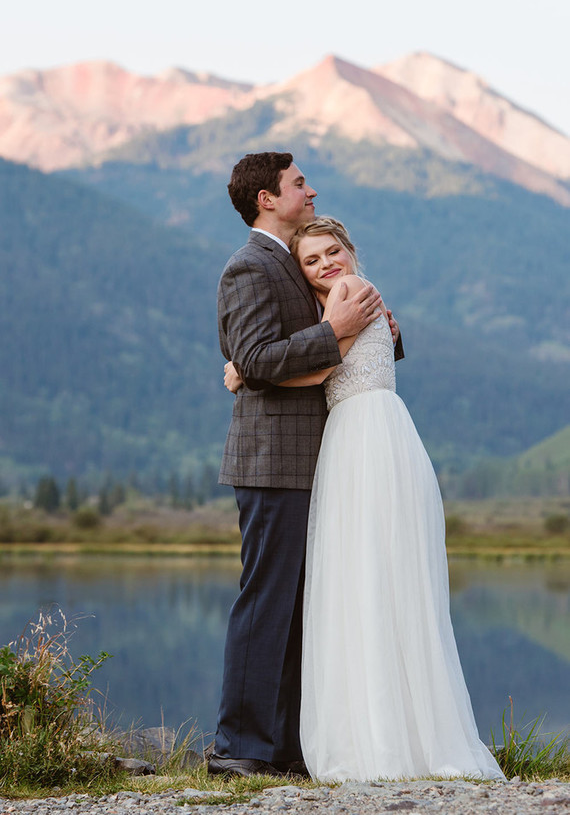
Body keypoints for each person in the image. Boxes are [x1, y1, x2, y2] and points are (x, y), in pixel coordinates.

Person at [278, 216, 504, 782]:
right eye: (312, 260)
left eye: (333, 251)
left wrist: (248, 374)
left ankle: (376, 742)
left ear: (350, 250)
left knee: (363, 579)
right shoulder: (363, 292)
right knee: (389, 581)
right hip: (378, 433)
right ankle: (409, 735)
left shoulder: (350, 294)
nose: (326, 264)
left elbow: (321, 363)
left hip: (364, 437)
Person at [209, 153, 403, 779]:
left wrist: (371, 330)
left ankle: (287, 745)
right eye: (298, 183)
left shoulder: (293, 259)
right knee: (267, 601)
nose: (311, 189)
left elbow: (280, 349)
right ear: (268, 197)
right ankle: (238, 747)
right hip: (273, 462)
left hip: (321, 458)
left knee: (302, 606)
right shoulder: (248, 266)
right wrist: (331, 331)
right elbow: (259, 354)